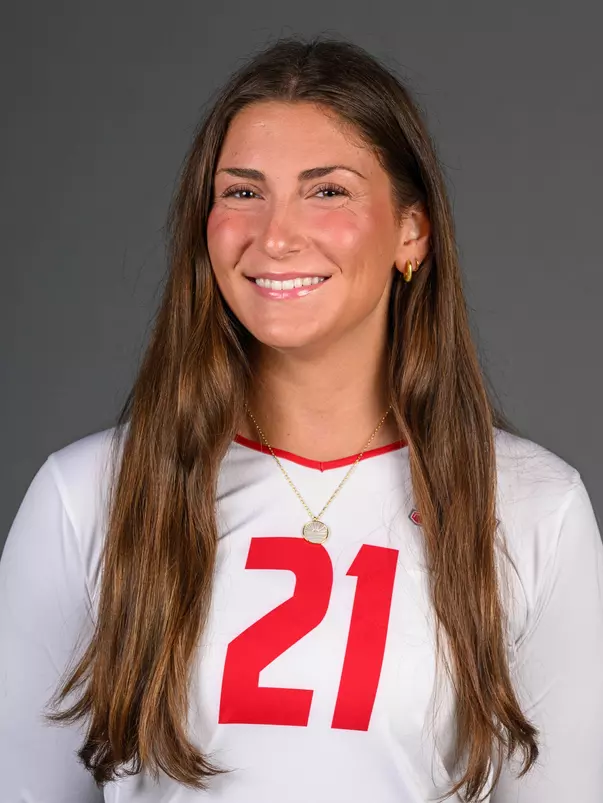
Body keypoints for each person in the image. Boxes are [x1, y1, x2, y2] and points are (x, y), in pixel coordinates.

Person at [0, 35, 602, 803]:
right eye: (242, 192)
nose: (275, 235)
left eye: (327, 191)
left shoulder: (530, 506)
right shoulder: (89, 496)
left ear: (411, 231)